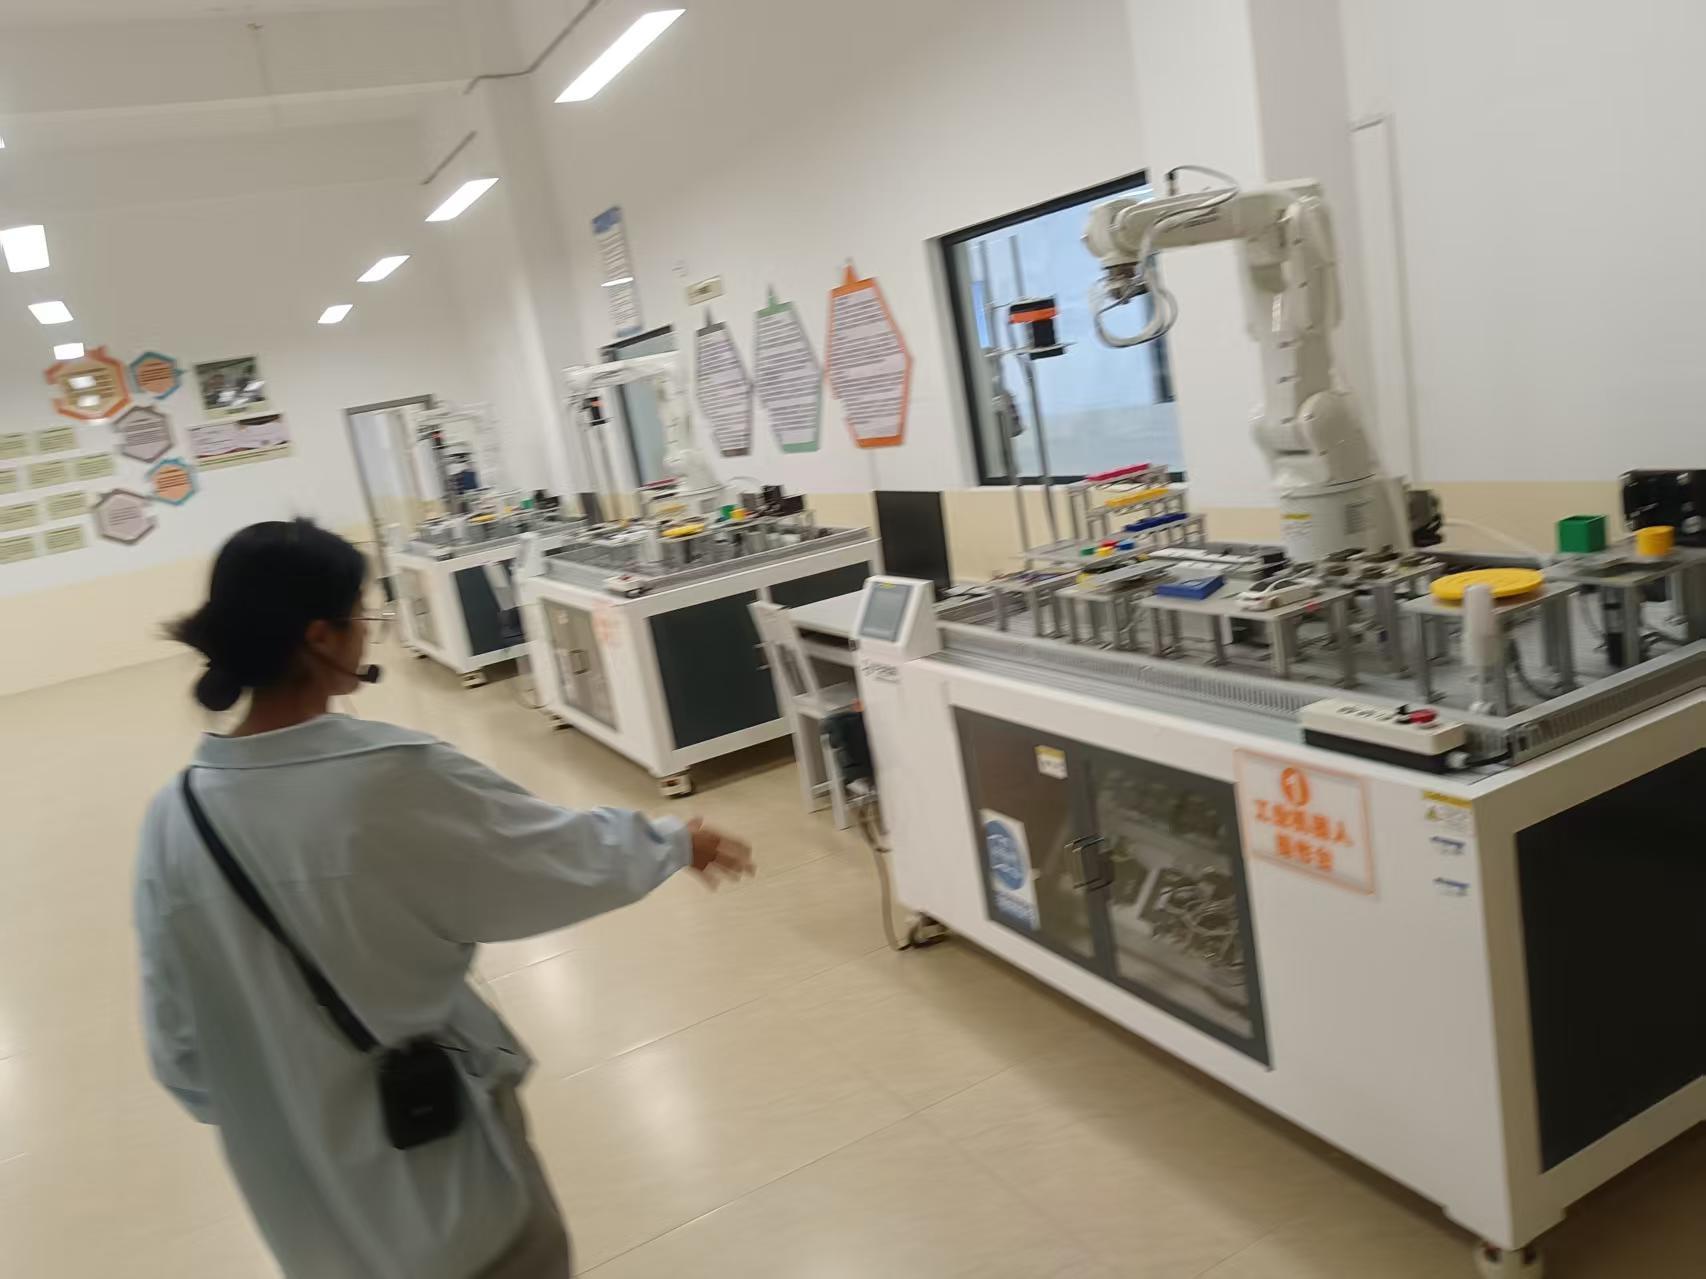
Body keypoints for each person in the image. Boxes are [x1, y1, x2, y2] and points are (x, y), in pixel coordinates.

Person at [133, 519, 751, 1278]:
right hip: (456, 1211)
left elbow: (182, 1057)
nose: (368, 629)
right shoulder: (385, 777)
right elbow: (540, 858)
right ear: (321, 636)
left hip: (312, 1237)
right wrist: (668, 843)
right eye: (360, 614)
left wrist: (291, 1095)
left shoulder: (173, 821)